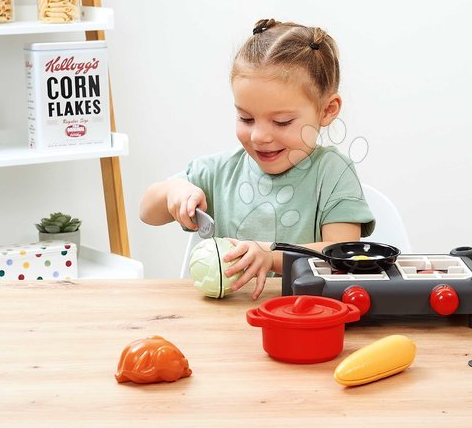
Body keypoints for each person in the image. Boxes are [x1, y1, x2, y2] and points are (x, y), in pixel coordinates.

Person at [140, 18, 375, 299]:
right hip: (226, 323)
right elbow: (146, 212)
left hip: (304, 317)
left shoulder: (333, 174)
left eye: (282, 121)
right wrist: (173, 192)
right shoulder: (220, 172)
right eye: (246, 118)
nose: (259, 136)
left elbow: (341, 252)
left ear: (327, 110)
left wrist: (272, 255)